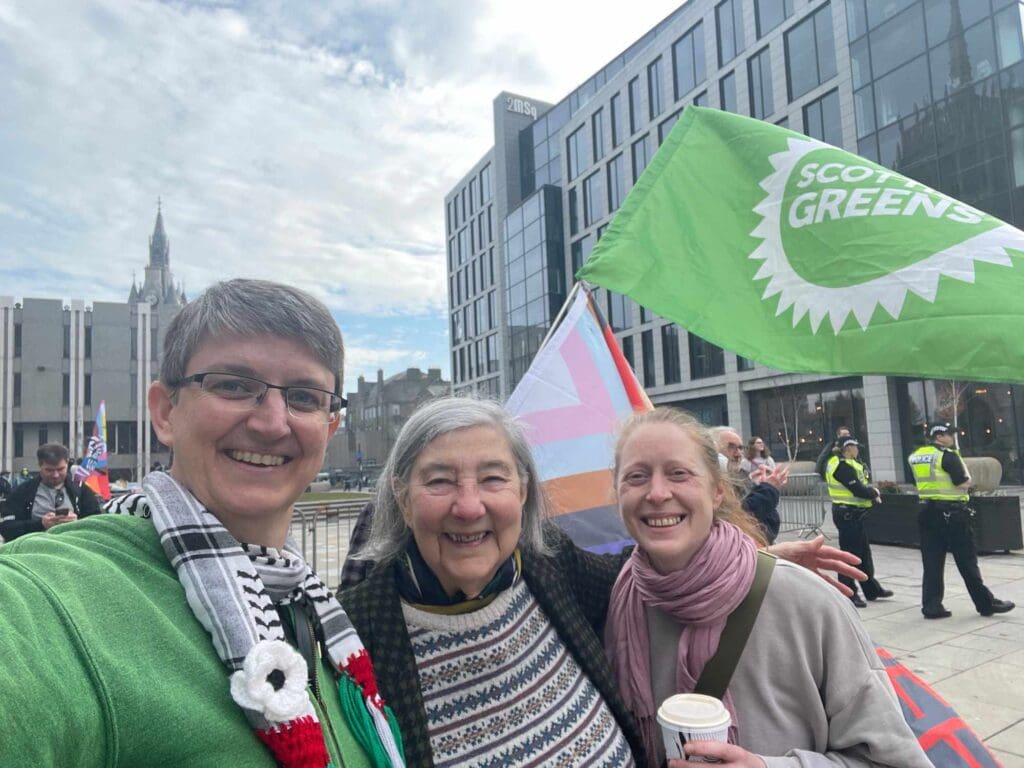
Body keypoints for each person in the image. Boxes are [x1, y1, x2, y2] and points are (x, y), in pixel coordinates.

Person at [0, 279, 403, 768]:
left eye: (304, 396)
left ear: (329, 426)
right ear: (166, 412)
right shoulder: (57, 596)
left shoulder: (312, 607)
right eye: (233, 385)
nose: (273, 423)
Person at [340, 397, 866, 765]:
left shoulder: (551, 569)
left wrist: (764, 559)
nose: (469, 505)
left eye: (493, 478)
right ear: (401, 495)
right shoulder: (351, 640)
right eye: (439, 480)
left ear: (523, 491)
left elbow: (654, 567)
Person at [604, 408, 932, 767]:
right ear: (616, 492)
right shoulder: (615, 600)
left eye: (678, 473)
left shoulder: (807, 603)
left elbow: (895, 761)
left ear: (717, 491)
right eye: (636, 477)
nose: (657, 493)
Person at [909, 423, 1015, 619]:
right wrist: (972, 484)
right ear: (939, 436)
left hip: (926, 511)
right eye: (949, 434)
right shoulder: (947, 455)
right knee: (967, 560)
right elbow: (961, 481)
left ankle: (932, 606)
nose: (952, 438)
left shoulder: (916, 456)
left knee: (932, 561)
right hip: (952, 513)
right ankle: (985, 604)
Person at [826, 436, 893, 608]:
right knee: (849, 555)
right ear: (847, 448)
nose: (858, 450)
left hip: (854, 515)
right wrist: (873, 492)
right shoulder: (841, 466)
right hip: (847, 514)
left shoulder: (849, 463)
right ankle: (848, 591)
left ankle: (871, 588)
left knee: (863, 554)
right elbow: (857, 489)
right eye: (855, 447)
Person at [0, 443, 101, 542]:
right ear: (40, 466)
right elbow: (6, 528)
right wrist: (40, 524)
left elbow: (97, 524)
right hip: (35, 547)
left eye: (60, 469)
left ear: (67, 464)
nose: (55, 475)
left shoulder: (81, 489)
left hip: (73, 546)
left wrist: (77, 523)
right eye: (49, 470)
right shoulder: (22, 491)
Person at [712, 427, 787, 544]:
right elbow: (739, 518)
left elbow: (767, 526)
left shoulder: (742, 479)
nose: (738, 454)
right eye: (731, 447)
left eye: (740, 448)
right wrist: (767, 490)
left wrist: (762, 488)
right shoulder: (711, 485)